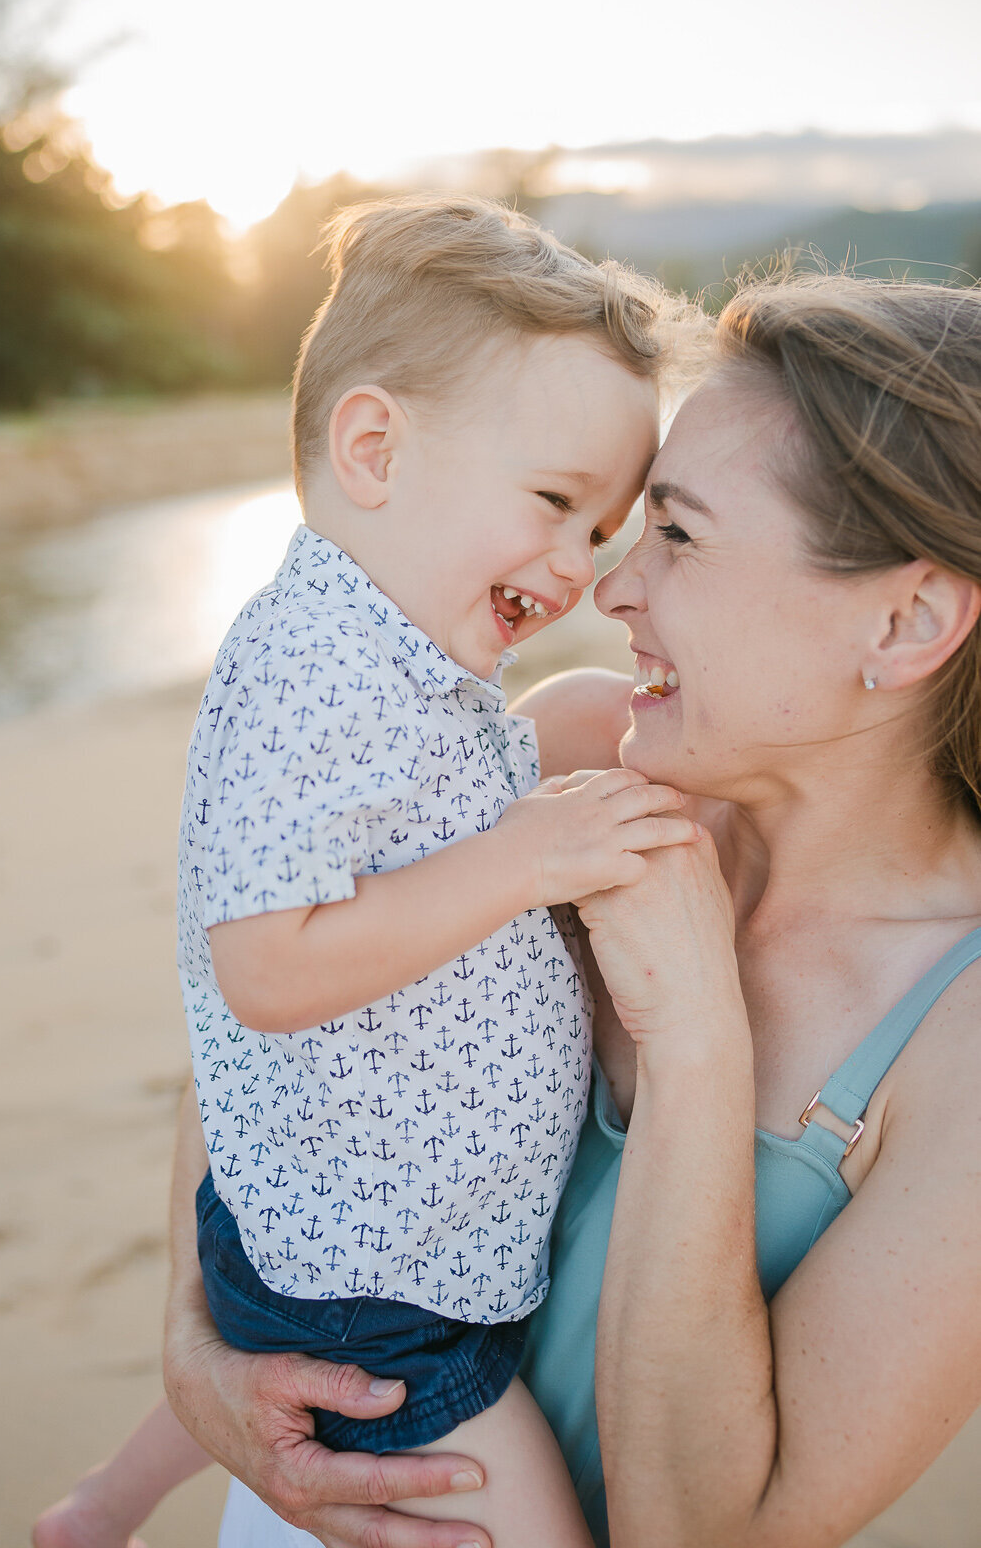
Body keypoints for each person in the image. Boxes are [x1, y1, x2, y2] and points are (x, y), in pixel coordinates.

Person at [159, 270, 981, 1548]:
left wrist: (699, 1035)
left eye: (681, 535)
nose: (609, 591)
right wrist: (192, 1345)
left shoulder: (961, 1038)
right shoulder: (579, 752)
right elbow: (276, 999)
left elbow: (704, 1531)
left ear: (909, 615)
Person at [33, 194, 702, 1548]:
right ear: (376, 448)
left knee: (252, 1300)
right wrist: (522, 861)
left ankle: (104, 1505)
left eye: (609, 529)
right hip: (381, 1294)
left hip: (335, 1220)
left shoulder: (404, 654)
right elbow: (268, 967)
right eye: (557, 506)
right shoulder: (310, 666)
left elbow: (410, 825)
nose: (579, 568)